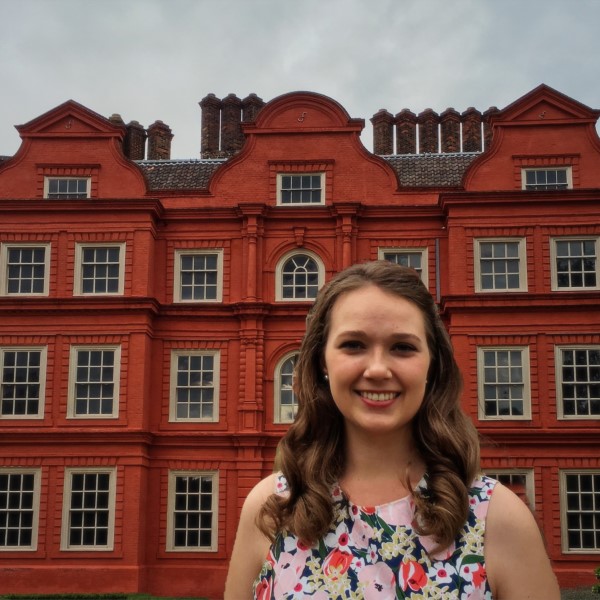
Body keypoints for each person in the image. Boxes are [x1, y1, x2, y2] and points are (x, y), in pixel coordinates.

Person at [225, 260, 559, 599]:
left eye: (402, 347)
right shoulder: (273, 506)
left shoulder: (496, 517)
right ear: (322, 362)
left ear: (433, 364)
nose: (378, 369)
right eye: (353, 344)